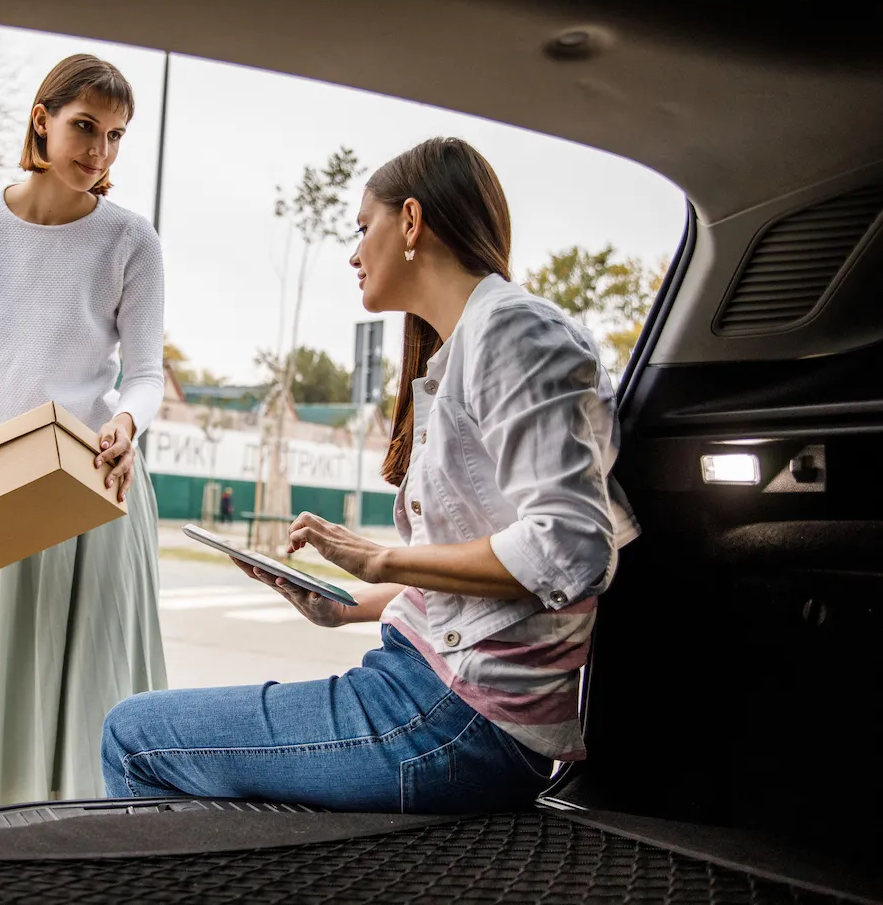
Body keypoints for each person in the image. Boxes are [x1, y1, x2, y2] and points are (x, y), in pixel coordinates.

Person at [100, 137, 639, 813]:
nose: (354, 254)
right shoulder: (468, 348)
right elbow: (498, 593)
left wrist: (384, 559)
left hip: (456, 716)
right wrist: (349, 603)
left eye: (363, 228)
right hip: (438, 699)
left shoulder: (516, 332)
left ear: (411, 222)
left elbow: (571, 548)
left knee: (133, 736)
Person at [0, 54, 168, 813]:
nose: (99, 152)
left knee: (94, 690)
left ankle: (93, 855)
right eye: (85, 127)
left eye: (116, 136)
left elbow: (147, 373)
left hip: (95, 480)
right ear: (42, 119)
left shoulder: (131, 240)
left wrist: (126, 420)